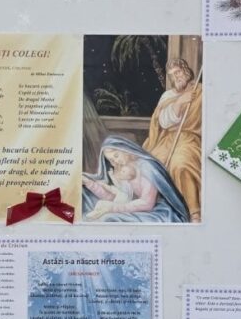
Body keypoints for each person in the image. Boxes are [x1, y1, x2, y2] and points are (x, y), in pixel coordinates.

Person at [143, 57, 202, 222]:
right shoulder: (168, 95)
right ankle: (154, 207)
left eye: (178, 72)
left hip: (190, 137)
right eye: (172, 75)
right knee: (152, 164)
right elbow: (162, 121)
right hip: (168, 138)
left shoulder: (200, 91)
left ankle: (194, 212)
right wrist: (179, 103)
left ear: (186, 71)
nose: (176, 77)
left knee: (180, 164)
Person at [82, 136, 189, 223]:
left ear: (125, 150)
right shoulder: (124, 169)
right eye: (111, 160)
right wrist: (90, 184)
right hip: (136, 208)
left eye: (116, 156)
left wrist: (113, 208)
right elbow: (118, 197)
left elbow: (147, 203)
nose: (115, 162)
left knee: (108, 219)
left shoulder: (146, 167)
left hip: (158, 212)